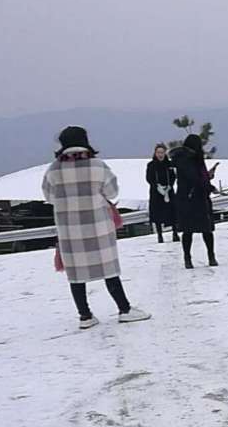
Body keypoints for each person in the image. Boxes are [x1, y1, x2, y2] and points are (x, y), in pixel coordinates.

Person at [41, 126, 150, 329]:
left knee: (75, 274)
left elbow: (48, 196)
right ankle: (124, 309)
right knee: (109, 269)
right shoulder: (98, 166)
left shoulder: (54, 169)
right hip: (98, 226)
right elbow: (112, 191)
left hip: (69, 230)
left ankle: (85, 316)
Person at [171, 133, 219, 269]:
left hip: (186, 198)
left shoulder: (184, 158)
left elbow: (199, 177)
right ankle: (210, 256)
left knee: (189, 230)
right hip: (195, 198)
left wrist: (208, 177)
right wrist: (209, 186)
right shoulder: (189, 159)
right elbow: (195, 179)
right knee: (205, 229)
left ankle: (188, 258)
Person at [145, 143, 178, 243]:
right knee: (157, 214)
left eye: (162, 152)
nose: (160, 155)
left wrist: (169, 186)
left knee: (173, 212)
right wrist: (157, 187)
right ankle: (159, 235)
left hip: (169, 191)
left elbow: (173, 176)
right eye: (158, 152)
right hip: (156, 192)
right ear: (155, 153)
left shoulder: (169, 164)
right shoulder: (151, 165)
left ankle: (175, 233)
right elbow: (149, 178)